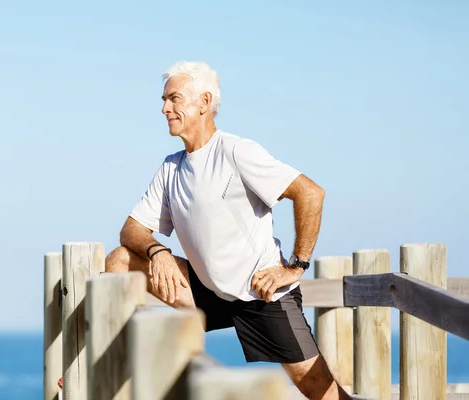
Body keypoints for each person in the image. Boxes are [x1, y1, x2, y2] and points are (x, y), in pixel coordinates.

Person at [105, 61, 351, 400]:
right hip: (205, 292)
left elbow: (310, 193)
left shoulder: (236, 151)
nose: (165, 109)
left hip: (259, 294)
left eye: (174, 99)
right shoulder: (171, 167)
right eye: (164, 100)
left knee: (323, 393)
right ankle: (116, 370)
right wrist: (157, 251)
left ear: (204, 102)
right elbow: (130, 230)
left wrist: (296, 266)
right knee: (120, 260)